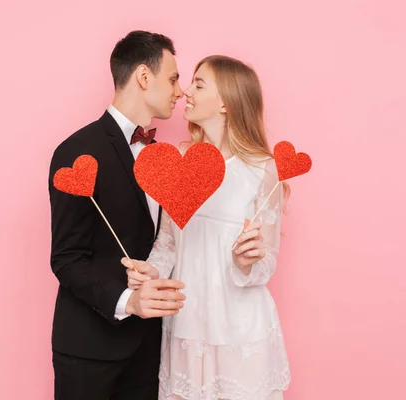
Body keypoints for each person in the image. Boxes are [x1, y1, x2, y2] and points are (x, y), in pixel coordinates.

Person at [122, 55, 291, 399]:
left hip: (240, 330)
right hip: (188, 328)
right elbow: (169, 244)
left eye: (199, 84)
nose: (185, 92)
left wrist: (248, 263)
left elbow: (267, 261)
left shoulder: (261, 169)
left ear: (227, 101)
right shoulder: (180, 162)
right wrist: (148, 272)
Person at [48, 30, 186, 400]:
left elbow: (161, 241)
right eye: (173, 78)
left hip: (148, 351)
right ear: (144, 77)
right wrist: (130, 301)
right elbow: (66, 259)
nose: (179, 91)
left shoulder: (162, 156)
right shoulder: (77, 151)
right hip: (89, 352)